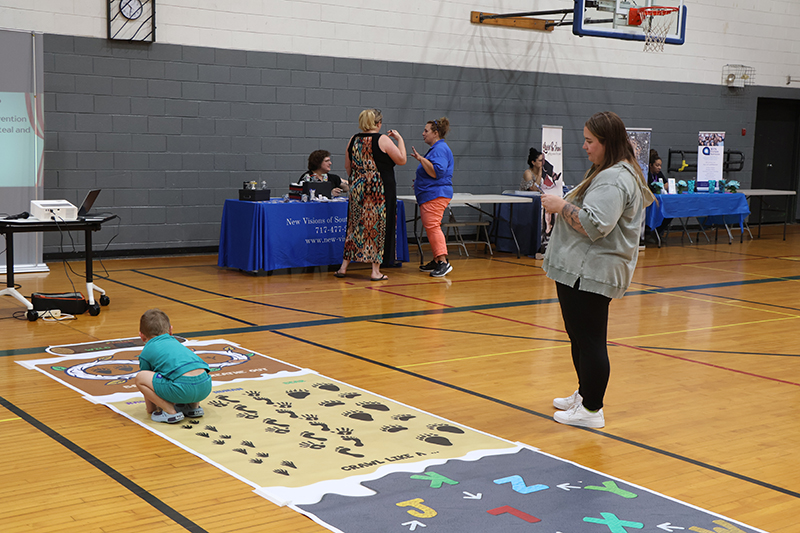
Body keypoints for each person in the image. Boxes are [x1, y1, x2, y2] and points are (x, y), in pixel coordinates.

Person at [540, 111, 655, 429]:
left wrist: (561, 206)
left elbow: (595, 224)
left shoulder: (615, 178)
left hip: (591, 271)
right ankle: (585, 393)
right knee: (579, 337)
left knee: (590, 341)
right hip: (582, 269)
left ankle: (592, 409)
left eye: (590, 141)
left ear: (607, 142)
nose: (584, 146)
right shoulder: (609, 171)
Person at [335, 109, 406, 281]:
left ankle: (343, 267)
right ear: (378, 123)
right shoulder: (383, 139)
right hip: (379, 189)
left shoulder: (353, 139)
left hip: (357, 188)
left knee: (354, 226)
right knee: (377, 227)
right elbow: (402, 160)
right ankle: (375, 271)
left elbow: (347, 166)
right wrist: (400, 139)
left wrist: (357, 180)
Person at [133, 309, 212, 424]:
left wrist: (151, 410)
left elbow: (146, 378)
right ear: (171, 330)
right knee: (186, 370)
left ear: (141, 336)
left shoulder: (146, 351)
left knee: (140, 377)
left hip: (182, 389)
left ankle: (170, 412)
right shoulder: (177, 344)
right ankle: (193, 408)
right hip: (205, 386)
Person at [411, 117, 455, 278]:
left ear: (436, 133)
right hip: (431, 193)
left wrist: (421, 159)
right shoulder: (437, 149)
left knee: (433, 227)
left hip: (435, 194)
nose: (423, 134)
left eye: (426, 131)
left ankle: (443, 262)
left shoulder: (439, 149)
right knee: (431, 227)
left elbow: (438, 172)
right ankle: (437, 260)